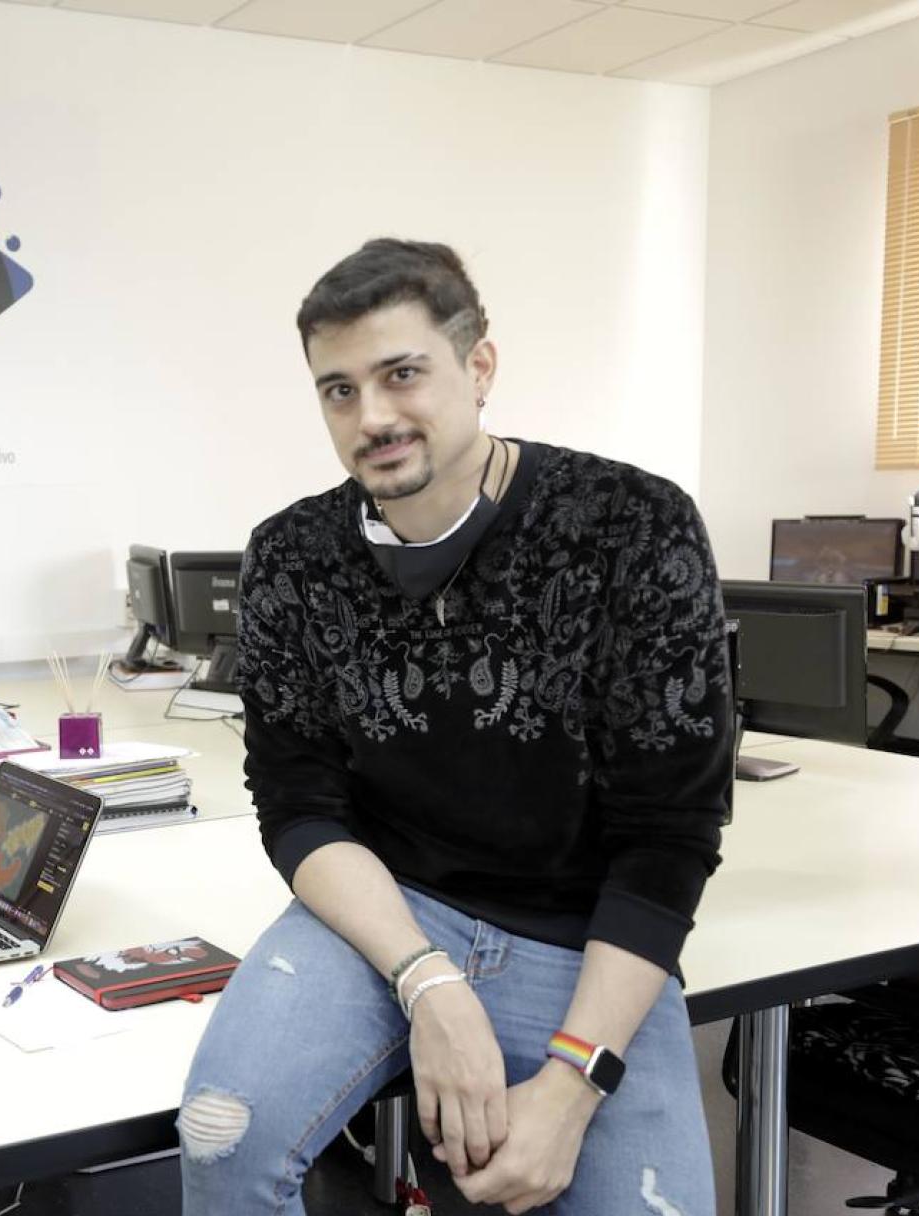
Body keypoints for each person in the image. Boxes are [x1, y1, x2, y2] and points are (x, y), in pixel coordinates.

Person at [177, 239, 730, 1215]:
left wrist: (571, 1083)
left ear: (478, 368)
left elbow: (668, 836)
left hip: (580, 937)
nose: (373, 416)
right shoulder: (292, 557)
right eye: (338, 390)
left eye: (402, 374)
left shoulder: (631, 526)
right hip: (386, 916)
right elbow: (299, 805)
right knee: (222, 1135)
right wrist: (426, 979)